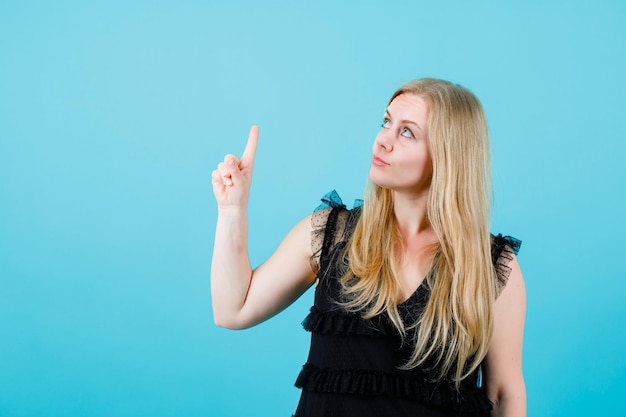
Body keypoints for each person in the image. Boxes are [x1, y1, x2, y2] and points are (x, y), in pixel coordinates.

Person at [210, 78, 526, 417]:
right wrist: (232, 210)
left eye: (407, 132)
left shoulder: (489, 263)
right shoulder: (331, 234)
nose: (382, 141)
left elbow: (504, 394)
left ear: (449, 156)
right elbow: (233, 310)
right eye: (386, 122)